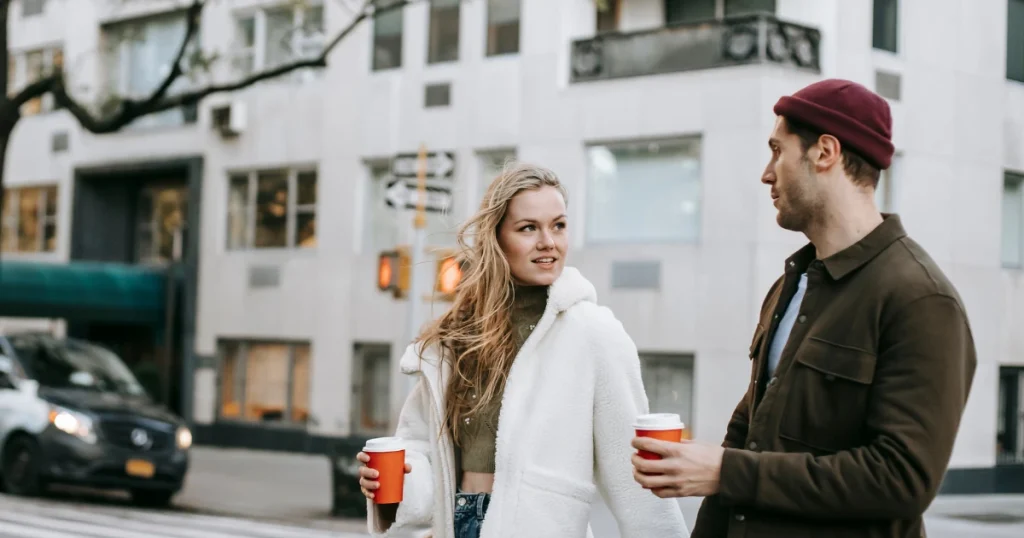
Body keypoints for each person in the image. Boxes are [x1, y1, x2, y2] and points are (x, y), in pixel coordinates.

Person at [630, 79, 977, 537]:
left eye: (777, 150)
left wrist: (727, 472)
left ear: (825, 153)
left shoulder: (921, 299)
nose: (766, 173)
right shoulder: (790, 285)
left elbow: (902, 478)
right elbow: (746, 435)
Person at [357, 163, 688, 538]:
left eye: (558, 225)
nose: (548, 241)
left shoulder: (595, 334)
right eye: (529, 228)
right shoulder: (459, 333)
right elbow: (421, 448)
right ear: (496, 238)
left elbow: (636, 481)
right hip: (456, 524)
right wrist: (393, 484)